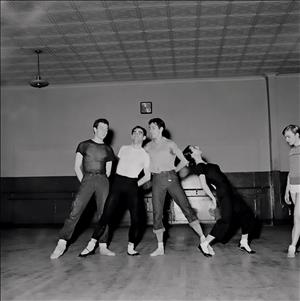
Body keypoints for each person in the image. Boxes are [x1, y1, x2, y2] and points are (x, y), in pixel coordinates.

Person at [79, 126, 151, 257]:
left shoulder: (145, 155)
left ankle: (131, 247)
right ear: (131, 135)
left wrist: (135, 185)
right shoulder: (123, 149)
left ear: (144, 137)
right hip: (118, 183)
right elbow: (114, 165)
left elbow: (147, 176)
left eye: (140, 133)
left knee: (136, 218)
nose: (137, 134)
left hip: (132, 184)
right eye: (134, 132)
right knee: (106, 215)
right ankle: (91, 245)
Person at [50, 118, 115, 259]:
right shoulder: (83, 145)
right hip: (88, 179)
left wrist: (102, 182)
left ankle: (103, 246)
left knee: (104, 214)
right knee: (76, 209)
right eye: (101, 128)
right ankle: (62, 243)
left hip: (103, 180)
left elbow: (109, 172)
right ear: (94, 129)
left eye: (106, 129)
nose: (104, 131)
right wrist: (85, 182)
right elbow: (76, 167)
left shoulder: (108, 149)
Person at [144, 118, 207, 257]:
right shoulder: (148, 146)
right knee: (157, 213)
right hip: (156, 179)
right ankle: (160, 247)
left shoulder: (170, 144)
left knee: (186, 207)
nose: (151, 130)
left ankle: (203, 239)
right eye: (150, 128)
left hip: (171, 178)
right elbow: (141, 160)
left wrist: (174, 171)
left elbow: (184, 160)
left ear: (161, 129)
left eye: (153, 128)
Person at [183, 145, 257, 256]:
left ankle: (243, 242)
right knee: (225, 221)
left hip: (232, 193)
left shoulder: (211, 165)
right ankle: (204, 243)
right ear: (192, 154)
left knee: (247, 215)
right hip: (224, 195)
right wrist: (213, 199)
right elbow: (204, 185)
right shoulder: (200, 166)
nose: (197, 146)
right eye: (194, 147)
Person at [282, 124, 300, 258]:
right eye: (285, 137)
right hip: (293, 186)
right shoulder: (292, 151)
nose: (287, 140)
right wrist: (287, 190)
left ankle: (292, 247)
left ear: (297, 134)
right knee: (297, 219)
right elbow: (291, 172)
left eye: (289, 136)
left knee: (296, 216)